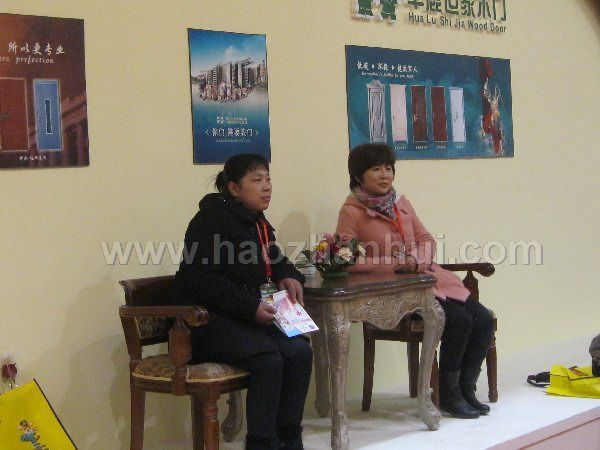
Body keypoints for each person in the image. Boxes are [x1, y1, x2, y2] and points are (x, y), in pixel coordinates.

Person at [335, 143, 494, 419]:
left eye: (389, 168)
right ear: (358, 175)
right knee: (459, 320)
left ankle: (466, 388)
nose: (385, 175)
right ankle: (448, 393)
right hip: (394, 291)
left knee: (483, 319)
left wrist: (416, 260)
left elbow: (426, 239)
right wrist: (395, 264)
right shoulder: (351, 211)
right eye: (376, 169)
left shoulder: (401, 203)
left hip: (428, 279)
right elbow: (346, 260)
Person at [171, 154, 312, 449]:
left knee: (299, 351)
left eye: (268, 179)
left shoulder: (256, 222)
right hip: (208, 322)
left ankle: (289, 439)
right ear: (234, 188)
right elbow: (202, 280)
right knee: (268, 359)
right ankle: (262, 443)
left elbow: (274, 259)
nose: (267, 186)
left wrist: (289, 276)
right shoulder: (209, 221)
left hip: (245, 320)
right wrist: (249, 307)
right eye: (257, 180)